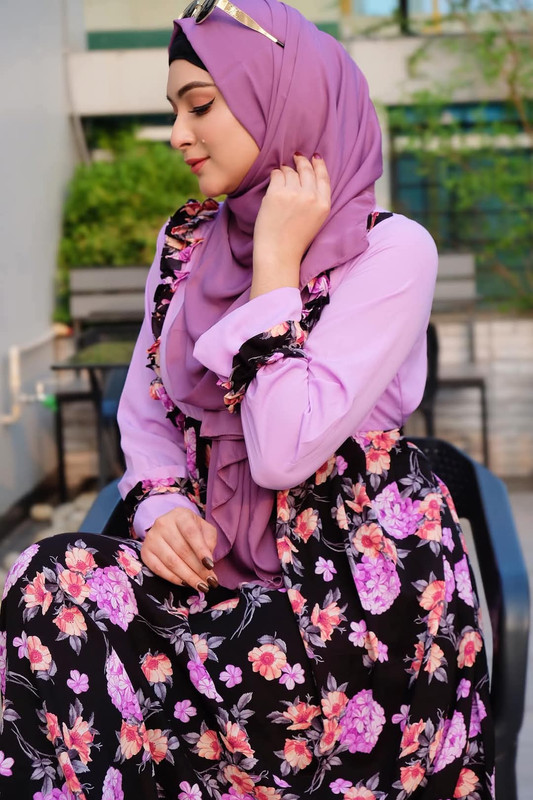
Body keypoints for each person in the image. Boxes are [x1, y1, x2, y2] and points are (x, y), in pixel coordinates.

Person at [0, 1, 495, 798]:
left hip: (349, 604)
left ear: (281, 100)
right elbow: (147, 408)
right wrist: (161, 504)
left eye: (199, 105)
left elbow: (283, 451)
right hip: (209, 575)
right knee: (47, 579)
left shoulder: (391, 250)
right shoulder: (186, 242)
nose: (177, 134)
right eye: (174, 110)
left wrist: (273, 263)